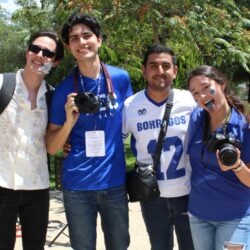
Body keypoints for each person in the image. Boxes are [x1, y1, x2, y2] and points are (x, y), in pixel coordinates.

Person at [45, 14, 132, 250]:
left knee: (119, 246)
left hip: (114, 182)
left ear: (99, 40)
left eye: (87, 35)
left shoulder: (121, 79)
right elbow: (52, 147)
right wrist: (69, 124)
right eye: (74, 38)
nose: (81, 42)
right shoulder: (64, 89)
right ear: (69, 46)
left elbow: (133, 121)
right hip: (77, 186)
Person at [122, 44, 195, 250]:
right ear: (144, 70)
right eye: (153, 66)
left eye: (166, 65)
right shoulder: (130, 106)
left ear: (175, 70)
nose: (160, 71)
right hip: (152, 195)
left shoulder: (190, 101)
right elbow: (113, 143)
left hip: (188, 193)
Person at [0, 31, 64, 250]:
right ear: (27, 52)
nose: (39, 55)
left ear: (55, 62)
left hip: (37, 187)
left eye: (47, 53)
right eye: (35, 49)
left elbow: (54, 140)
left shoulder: (52, 98)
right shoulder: (2, 84)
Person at [186, 65, 250, 250]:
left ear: (222, 84)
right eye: (196, 93)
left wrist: (236, 165)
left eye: (206, 87)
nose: (203, 96)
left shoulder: (244, 126)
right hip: (199, 215)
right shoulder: (197, 118)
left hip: (235, 217)